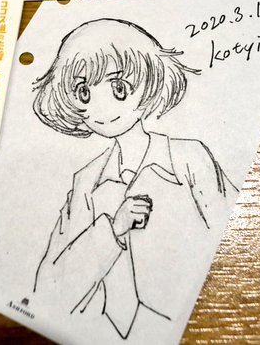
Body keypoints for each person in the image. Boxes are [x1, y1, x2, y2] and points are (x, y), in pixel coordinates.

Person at [32, 19, 231, 338]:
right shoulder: (86, 182)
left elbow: (229, 236)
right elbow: (50, 285)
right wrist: (113, 229)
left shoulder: (188, 158)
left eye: (118, 88)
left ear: (151, 83)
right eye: (84, 92)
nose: (101, 108)